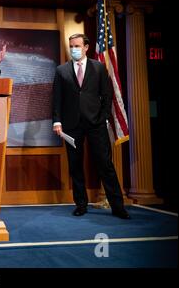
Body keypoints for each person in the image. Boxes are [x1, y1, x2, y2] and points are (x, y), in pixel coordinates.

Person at [52, 33, 130, 219]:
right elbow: (56, 99)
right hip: (71, 125)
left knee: (105, 164)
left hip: (95, 124)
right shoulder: (61, 70)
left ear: (86, 47)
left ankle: (118, 206)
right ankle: (81, 204)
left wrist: (102, 117)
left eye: (77, 46)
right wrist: (57, 121)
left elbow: (107, 95)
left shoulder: (99, 67)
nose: (74, 49)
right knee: (75, 165)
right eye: (71, 46)